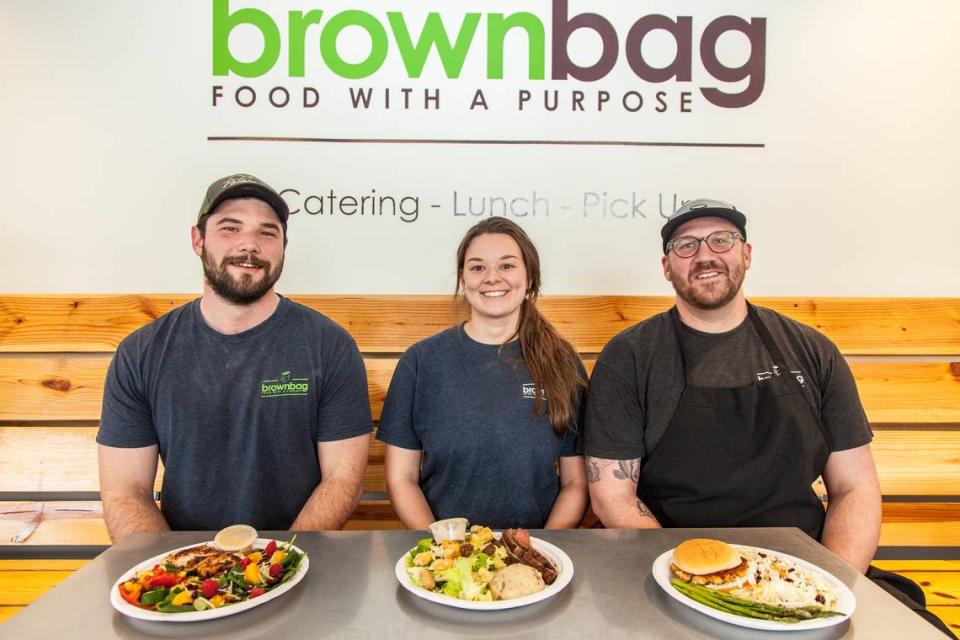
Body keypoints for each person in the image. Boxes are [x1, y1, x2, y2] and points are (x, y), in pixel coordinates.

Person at [582, 199, 883, 572]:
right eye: (686, 245)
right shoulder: (630, 356)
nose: (705, 256)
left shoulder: (811, 350)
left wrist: (834, 583)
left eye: (721, 240)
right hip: (670, 565)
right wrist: (691, 579)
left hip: (801, 568)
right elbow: (614, 497)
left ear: (747, 253)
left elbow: (855, 488)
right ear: (667, 267)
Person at [97, 173, 373, 540]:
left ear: (283, 246)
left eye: (267, 232)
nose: (249, 245)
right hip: (183, 574)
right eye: (230, 228)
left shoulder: (331, 346)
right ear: (198, 239)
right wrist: (173, 575)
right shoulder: (140, 353)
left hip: (299, 562)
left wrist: (282, 564)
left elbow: (343, 479)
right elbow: (125, 492)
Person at [377, 218, 588, 530]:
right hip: (445, 558)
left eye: (507, 266)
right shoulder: (420, 362)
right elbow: (401, 478)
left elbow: (575, 484)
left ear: (529, 277)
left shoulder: (563, 361)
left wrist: (543, 551)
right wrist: (443, 549)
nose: (492, 278)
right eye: (477, 268)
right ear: (463, 279)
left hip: (536, 556)